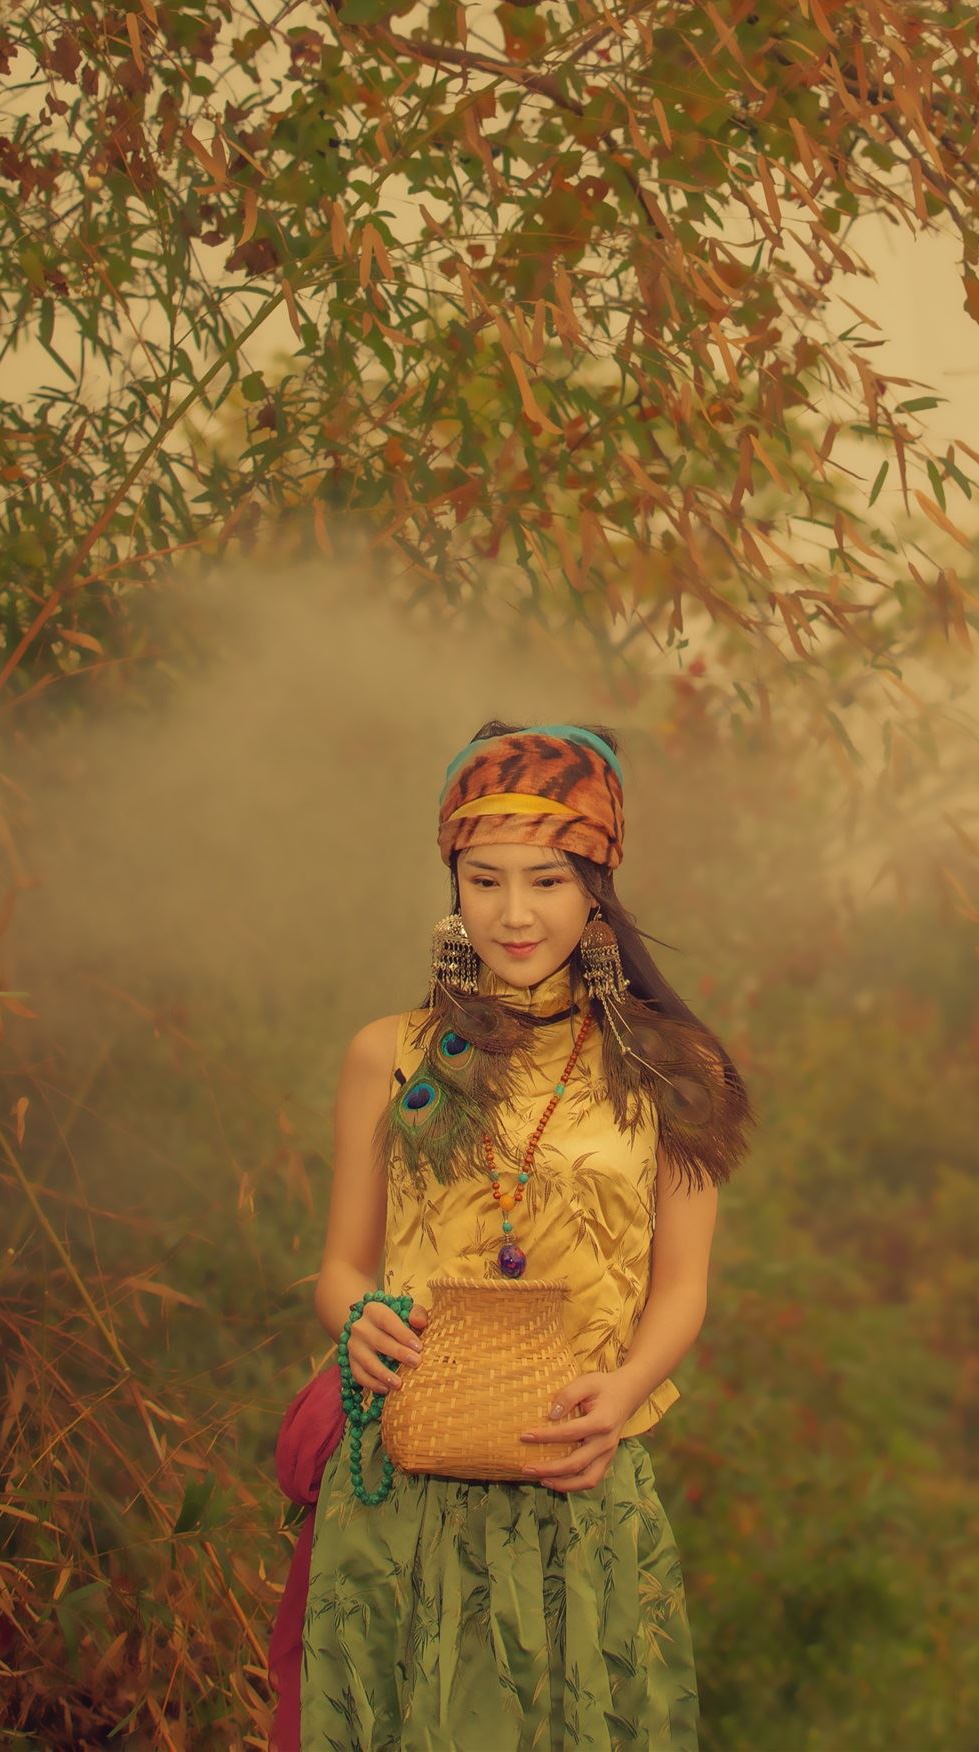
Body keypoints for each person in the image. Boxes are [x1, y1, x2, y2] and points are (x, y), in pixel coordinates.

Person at [281, 717, 752, 1752]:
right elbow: (340, 1267)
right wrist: (355, 1319)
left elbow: (681, 1289)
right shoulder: (388, 1054)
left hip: (575, 1473)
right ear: (451, 883)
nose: (513, 912)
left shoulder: (673, 1070)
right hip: (402, 1481)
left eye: (544, 879)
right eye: (483, 879)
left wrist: (622, 1396)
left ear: (595, 888)